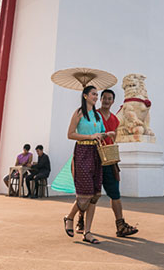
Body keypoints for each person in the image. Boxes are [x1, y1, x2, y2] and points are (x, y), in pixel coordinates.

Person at [76, 88, 138, 237]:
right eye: (103, 98)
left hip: (109, 159)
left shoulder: (116, 120)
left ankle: (120, 225)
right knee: (88, 193)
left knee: (115, 193)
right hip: (93, 157)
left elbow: (113, 138)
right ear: (100, 99)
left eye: (109, 98)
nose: (106, 100)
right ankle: (80, 220)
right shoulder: (93, 115)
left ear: (113, 101)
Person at [62, 85, 115, 244]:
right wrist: (91, 136)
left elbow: (100, 133)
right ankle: (69, 217)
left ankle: (88, 232)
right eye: (93, 94)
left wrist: (107, 134)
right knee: (85, 193)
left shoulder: (98, 116)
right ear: (85, 96)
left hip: (96, 154)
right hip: (82, 152)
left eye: (97, 94)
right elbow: (70, 134)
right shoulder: (79, 113)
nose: (96, 97)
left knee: (95, 195)